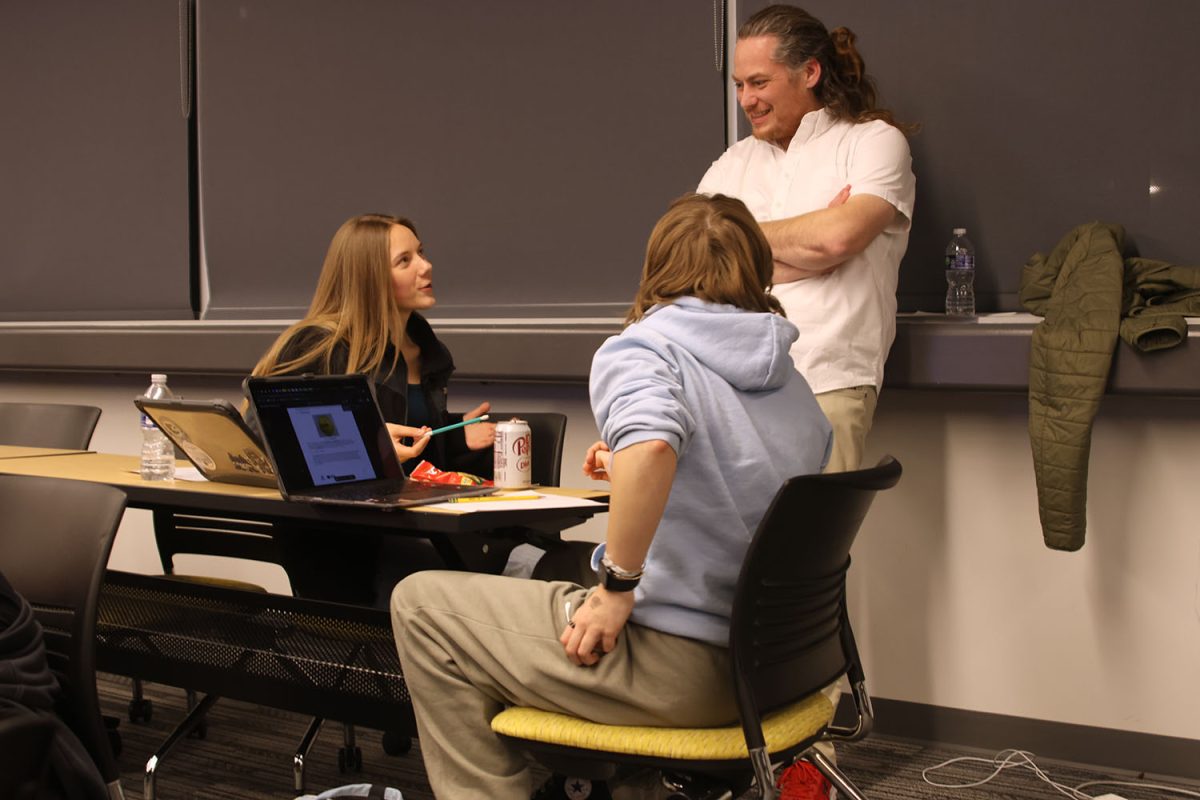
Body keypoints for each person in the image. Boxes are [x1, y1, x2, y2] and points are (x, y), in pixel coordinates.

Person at [391, 193, 831, 799]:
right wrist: (631, 466)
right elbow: (740, 484)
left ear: (658, 270)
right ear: (757, 270)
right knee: (556, 571)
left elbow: (652, 447)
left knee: (421, 605)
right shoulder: (793, 384)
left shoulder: (645, 349)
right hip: (777, 669)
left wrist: (619, 586)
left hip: (685, 670)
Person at [697, 4, 916, 473]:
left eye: (759, 82)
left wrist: (739, 244)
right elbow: (694, 265)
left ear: (810, 72)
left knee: (812, 542)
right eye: (739, 85)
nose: (746, 100)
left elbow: (836, 240)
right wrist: (807, 248)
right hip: (727, 386)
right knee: (737, 545)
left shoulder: (874, 143)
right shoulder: (731, 165)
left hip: (826, 377)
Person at [249, 213, 497, 605]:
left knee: (520, 562)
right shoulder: (319, 345)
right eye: (405, 261)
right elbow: (265, 435)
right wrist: (369, 451)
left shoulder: (425, 351)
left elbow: (409, 452)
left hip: (412, 526)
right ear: (370, 279)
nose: (426, 266)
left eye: (421, 253)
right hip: (343, 543)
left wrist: (452, 429)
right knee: (485, 585)